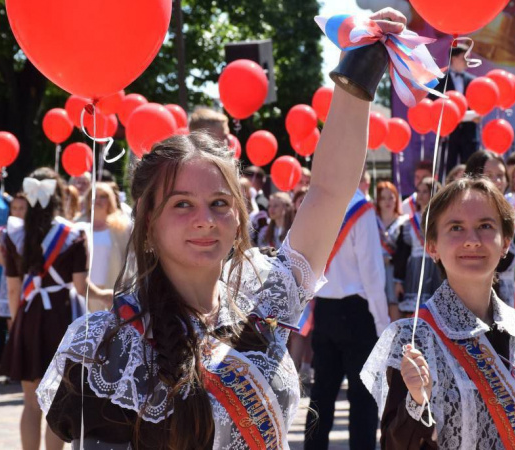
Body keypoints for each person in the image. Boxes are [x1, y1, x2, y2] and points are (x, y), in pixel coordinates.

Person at [35, 17, 399, 445]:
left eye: (220, 203)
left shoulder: (263, 296)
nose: (205, 219)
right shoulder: (107, 345)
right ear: (147, 224)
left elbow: (330, 191)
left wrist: (361, 64)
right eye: (182, 204)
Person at [362, 176, 515, 449]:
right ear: (433, 246)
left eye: (485, 226)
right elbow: (394, 444)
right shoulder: (412, 339)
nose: (472, 240)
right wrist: (416, 401)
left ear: (506, 241)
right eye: (456, 228)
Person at [0, 167, 111, 450]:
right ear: (59, 196)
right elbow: (80, 285)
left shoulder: (14, 234)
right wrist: (105, 295)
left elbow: (13, 287)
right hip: (60, 317)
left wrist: (17, 322)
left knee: (30, 403)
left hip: (28, 315)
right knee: (56, 401)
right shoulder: (73, 234)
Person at [305, 173, 391, 449]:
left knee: (322, 394)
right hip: (357, 313)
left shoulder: (315, 202)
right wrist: (382, 324)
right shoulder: (361, 209)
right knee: (362, 398)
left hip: (325, 307)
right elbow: (372, 274)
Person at [464, 151, 515, 305]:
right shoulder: (467, 212)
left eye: (501, 175)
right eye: (489, 175)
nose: (497, 181)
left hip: (508, 295)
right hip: (480, 296)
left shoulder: (510, 210)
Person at [77, 183, 133, 309]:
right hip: (82, 291)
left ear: (111, 200)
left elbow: (131, 261)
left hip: (112, 291)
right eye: (94, 196)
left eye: (103, 196)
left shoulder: (122, 228)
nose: (98, 200)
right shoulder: (77, 226)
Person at [394, 177, 443, 315]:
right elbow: (402, 253)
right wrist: (398, 280)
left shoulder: (442, 220)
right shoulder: (409, 222)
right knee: (414, 312)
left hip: (436, 269)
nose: (419, 195)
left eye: (424, 191)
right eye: (418, 191)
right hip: (415, 270)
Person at [0, 192, 29, 376]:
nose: (17, 212)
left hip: (30, 281)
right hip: (10, 279)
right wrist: (0, 253)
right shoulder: (4, 231)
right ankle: (16, 367)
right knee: (12, 324)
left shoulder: (34, 231)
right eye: (14, 208)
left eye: (22, 208)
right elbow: (3, 263)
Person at [432, 44, 479, 173]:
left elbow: (479, 107)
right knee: (448, 171)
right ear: (454, 58)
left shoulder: (473, 82)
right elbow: (434, 107)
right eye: (465, 58)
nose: (467, 62)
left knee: (471, 170)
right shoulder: (439, 81)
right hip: (449, 135)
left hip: (469, 135)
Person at [376, 181, 408, 321]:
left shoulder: (404, 222)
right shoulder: (372, 221)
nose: (387, 202)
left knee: (394, 304)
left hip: (395, 272)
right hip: (375, 270)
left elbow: (405, 251)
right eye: (383, 198)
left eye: (391, 197)